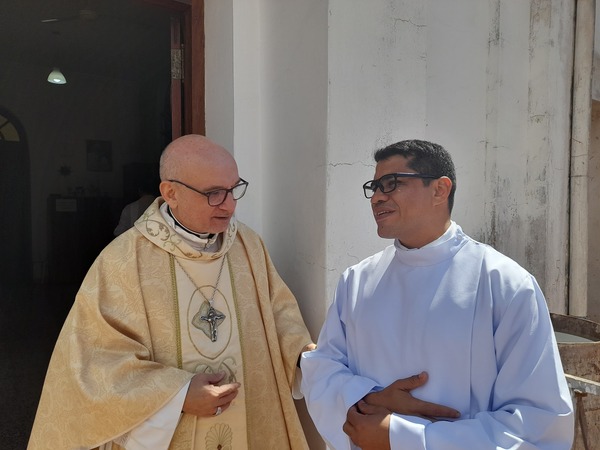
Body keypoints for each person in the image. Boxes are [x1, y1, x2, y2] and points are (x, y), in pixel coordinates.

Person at [29, 134, 315, 450]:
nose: (230, 204)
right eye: (214, 193)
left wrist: (305, 358)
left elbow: (279, 313)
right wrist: (176, 394)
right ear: (171, 193)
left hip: (251, 418)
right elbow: (93, 363)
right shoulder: (123, 260)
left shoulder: (248, 246)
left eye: (234, 189)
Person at [301, 139, 574, 450]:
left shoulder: (504, 285)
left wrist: (403, 438)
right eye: (374, 187)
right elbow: (322, 368)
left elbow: (537, 425)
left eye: (391, 184)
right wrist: (368, 398)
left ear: (440, 190)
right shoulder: (357, 281)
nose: (376, 197)